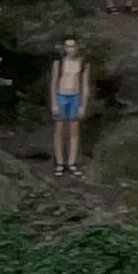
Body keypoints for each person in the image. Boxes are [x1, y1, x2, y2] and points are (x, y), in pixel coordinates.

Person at [49, 37, 90, 175]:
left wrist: (83, 105)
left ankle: (72, 162)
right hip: (61, 96)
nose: (70, 49)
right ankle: (59, 162)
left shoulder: (82, 63)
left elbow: (85, 85)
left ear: (77, 47)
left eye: (72, 46)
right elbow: (54, 82)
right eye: (67, 46)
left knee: (74, 131)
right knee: (59, 130)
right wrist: (54, 102)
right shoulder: (59, 63)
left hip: (75, 97)